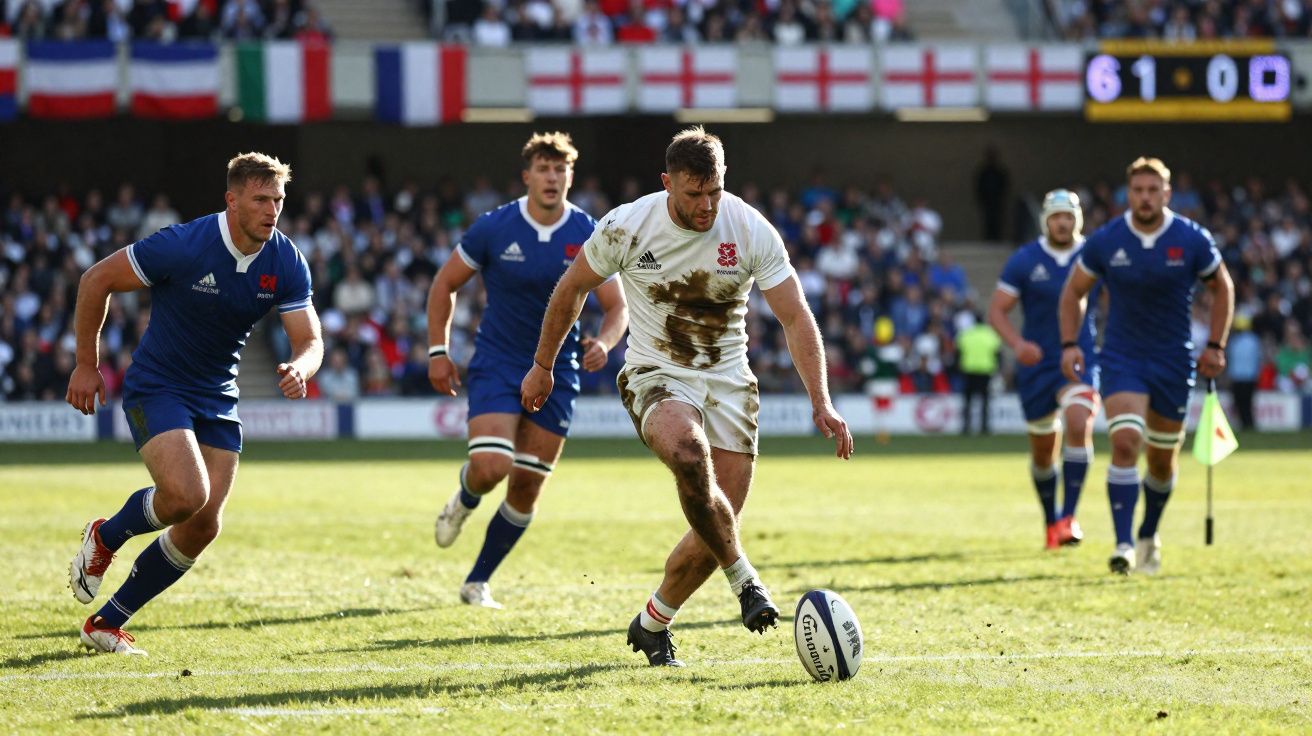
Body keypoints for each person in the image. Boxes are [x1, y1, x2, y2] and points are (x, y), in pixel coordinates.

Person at [521, 127, 853, 667]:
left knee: (714, 523)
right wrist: (542, 365)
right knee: (687, 453)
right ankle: (745, 578)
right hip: (656, 372)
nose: (706, 205)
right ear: (667, 183)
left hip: (730, 382)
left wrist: (822, 400)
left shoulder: (748, 228)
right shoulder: (627, 226)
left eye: (715, 191)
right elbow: (572, 288)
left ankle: (653, 623)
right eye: (693, 193)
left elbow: (795, 316)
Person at [66, 153, 322, 654]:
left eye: (279, 200)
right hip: (158, 386)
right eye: (261, 199)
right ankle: (107, 535)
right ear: (231, 200)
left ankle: (105, 622)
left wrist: (302, 367)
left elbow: (309, 338)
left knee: (204, 523)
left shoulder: (286, 259)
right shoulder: (183, 245)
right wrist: (85, 364)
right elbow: (96, 279)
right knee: (186, 495)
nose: (273, 210)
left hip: (217, 397)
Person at [428, 132, 628, 609]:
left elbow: (617, 306)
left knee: (526, 485)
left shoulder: (588, 231)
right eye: (544, 168)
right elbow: (445, 283)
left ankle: (477, 581)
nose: (552, 177)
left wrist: (603, 340)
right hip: (500, 360)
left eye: (561, 169)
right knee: (492, 466)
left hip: (560, 369)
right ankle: (465, 496)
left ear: (570, 177)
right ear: (527, 176)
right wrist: (438, 349)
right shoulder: (494, 227)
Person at [1059, 157, 1233, 575]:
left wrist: (1215, 344)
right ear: (1128, 194)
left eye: (1153, 190)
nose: (1145, 198)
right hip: (1122, 356)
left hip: (1174, 359)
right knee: (1124, 443)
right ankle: (1122, 545)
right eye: (1138, 190)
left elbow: (1222, 287)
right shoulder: (1107, 240)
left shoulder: (1191, 239)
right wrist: (1069, 344)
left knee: (1160, 461)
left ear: (1167, 194)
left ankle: (1148, 531)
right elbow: (1073, 293)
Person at [988, 189, 1100, 550]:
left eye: (1069, 216)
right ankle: (1051, 520)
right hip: (1037, 365)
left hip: (1078, 358)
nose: (1063, 222)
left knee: (1079, 422)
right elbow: (997, 310)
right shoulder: (1026, 259)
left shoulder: (1093, 255)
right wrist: (1018, 345)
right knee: (1042, 451)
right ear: (1046, 221)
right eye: (1056, 216)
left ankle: (1069, 516)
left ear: (1077, 220)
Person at [956, 312, 1001, 436]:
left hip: (969, 370)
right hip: (985, 371)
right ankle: (984, 427)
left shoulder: (966, 334)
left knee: (968, 401)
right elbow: (997, 353)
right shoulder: (990, 334)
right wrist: (997, 368)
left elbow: (958, 353)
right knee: (985, 401)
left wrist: (959, 367)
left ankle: (966, 427)